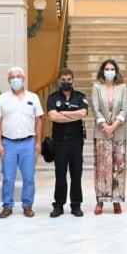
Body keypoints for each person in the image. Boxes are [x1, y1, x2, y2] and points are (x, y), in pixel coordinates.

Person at [0, 67, 43, 218]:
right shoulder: (2, 98)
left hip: (28, 143)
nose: (16, 79)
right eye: (13, 77)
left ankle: (27, 205)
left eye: (18, 76)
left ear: (24, 79)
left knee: (29, 177)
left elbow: (39, 120)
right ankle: (7, 206)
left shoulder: (33, 97)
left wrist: (38, 142)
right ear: (9, 80)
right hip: (8, 143)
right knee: (8, 177)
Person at [47, 67, 88, 218]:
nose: (66, 82)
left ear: (73, 81)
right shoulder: (52, 97)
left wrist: (62, 113)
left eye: (69, 80)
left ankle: (76, 205)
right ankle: (58, 205)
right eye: (63, 80)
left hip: (76, 142)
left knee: (76, 174)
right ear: (59, 81)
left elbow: (83, 113)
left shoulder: (80, 96)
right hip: (59, 142)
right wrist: (74, 114)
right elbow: (52, 117)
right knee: (60, 175)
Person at [91, 59, 127, 215]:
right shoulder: (96, 87)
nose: (109, 71)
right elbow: (95, 107)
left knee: (118, 167)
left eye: (112, 68)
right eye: (107, 68)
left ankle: (117, 201)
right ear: (102, 71)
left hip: (119, 132)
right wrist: (105, 127)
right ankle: (100, 200)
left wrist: (113, 126)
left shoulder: (123, 87)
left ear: (116, 71)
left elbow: (125, 108)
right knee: (102, 168)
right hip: (101, 132)